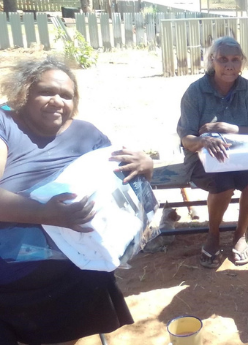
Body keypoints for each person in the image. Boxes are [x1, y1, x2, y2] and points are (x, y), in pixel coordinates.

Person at [0, 57, 154, 345]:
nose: (57, 101)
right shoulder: (5, 123)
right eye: (46, 92)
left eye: (66, 95)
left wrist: (145, 164)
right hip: (14, 268)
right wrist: (46, 214)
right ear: (23, 92)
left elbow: (117, 179)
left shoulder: (87, 133)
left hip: (79, 261)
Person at [177, 36, 248, 269]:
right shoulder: (195, 92)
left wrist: (228, 128)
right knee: (223, 183)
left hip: (243, 157)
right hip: (203, 159)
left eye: (236, 60)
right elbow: (186, 136)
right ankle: (214, 234)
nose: (230, 65)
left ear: (242, 63)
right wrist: (202, 141)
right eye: (223, 59)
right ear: (212, 61)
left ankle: (239, 234)